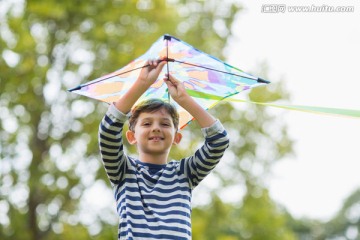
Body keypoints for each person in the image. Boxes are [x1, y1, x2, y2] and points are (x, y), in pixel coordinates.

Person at [98, 58, 230, 239]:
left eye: (165, 124)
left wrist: (184, 99)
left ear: (177, 137)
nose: (156, 128)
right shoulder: (123, 171)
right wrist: (142, 83)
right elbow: (107, 131)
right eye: (146, 123)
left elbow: (219, 142)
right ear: (131, 136)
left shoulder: (185, 173)